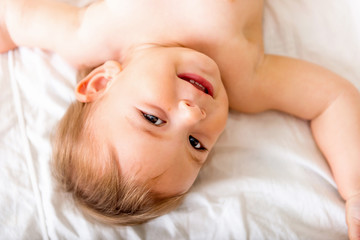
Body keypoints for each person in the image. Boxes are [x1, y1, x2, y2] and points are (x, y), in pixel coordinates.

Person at [1, 0, 360, 238]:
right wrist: (354, 189)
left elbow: (12, 21)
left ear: (101, 83)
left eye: (153, 119)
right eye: (195, 144)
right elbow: (331, 100)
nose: (192, 116)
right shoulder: (244, 77)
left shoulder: (87, 36)